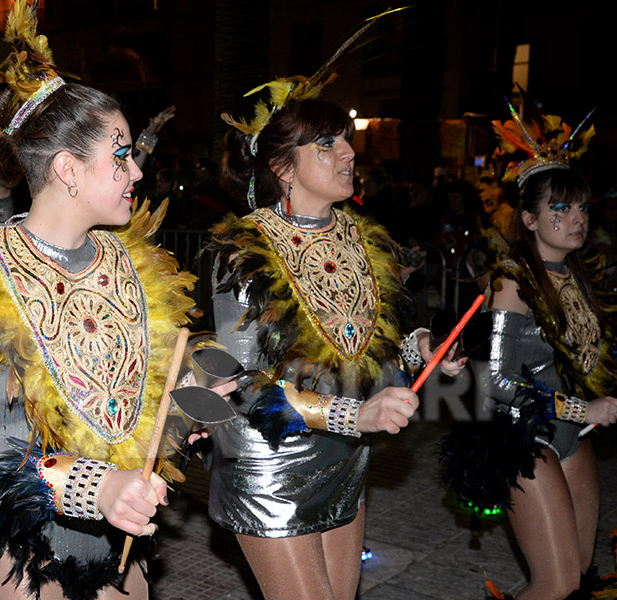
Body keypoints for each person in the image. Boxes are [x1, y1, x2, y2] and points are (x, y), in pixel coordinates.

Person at [0, 4, 233, 599]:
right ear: (67, 169)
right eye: (120, 154)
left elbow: (132, 401)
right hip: (21, 544)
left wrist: (184, 410)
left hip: (121, 536)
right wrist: (99, 486)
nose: (136, 173)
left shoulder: (135, 266)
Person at [203, 18, 464, 599]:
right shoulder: (243, 250)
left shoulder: (361, 237)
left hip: (344, 454)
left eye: (345, 138)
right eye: (328, 143)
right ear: (280, 168)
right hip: (269, 455)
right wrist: (354, 416)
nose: (349, 151)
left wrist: (419, 347)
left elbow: (365, 335)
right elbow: (240, 382)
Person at [442, 106, 617, 599]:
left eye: (582, 208)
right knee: (556, 579)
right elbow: (496, 383)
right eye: (560, 210)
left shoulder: (580, 280)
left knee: (580, 572)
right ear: (529, 218)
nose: (576, 220)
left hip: (574, 435)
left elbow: (589, 362)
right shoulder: (513, 281)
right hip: (523, 440)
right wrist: (580, 406)